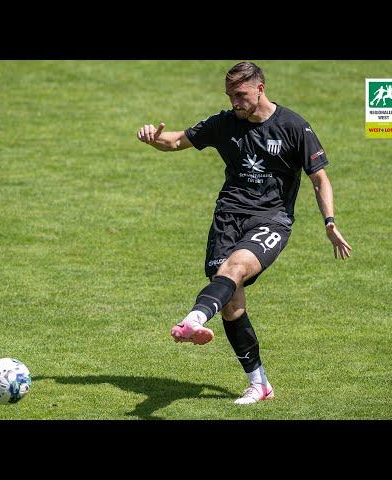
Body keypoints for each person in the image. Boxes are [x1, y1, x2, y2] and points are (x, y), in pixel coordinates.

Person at [136, 62, 353, 404]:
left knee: (232, 272)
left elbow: (319, 178)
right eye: (230, 96)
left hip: (271, 221)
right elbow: (176, 140)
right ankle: (260, 384)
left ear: (260, 89)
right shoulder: (225, 123)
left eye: (240, 95)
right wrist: (153, 138)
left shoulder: (293, 126)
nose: (235, 102)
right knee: (230, 303)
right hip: (228, 218)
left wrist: (329, 222)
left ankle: (193, 319)